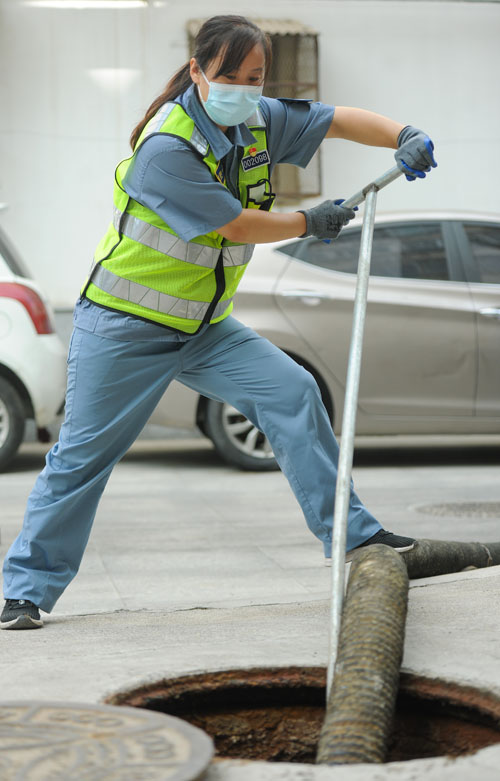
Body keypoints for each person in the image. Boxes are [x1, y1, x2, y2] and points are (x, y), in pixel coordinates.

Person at [1, 15, 437, 630]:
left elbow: (335, 119)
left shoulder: (258, 121)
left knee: (293, 392)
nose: (243, 87)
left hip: (206, 328)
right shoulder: (166, 148)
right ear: (200, 71)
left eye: (254, 77)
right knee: (81, 458)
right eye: (229, 75)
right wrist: (309, 220)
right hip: (124, 329)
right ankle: (26, 589)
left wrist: (404, 133)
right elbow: (235, 224)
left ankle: (353, 537)